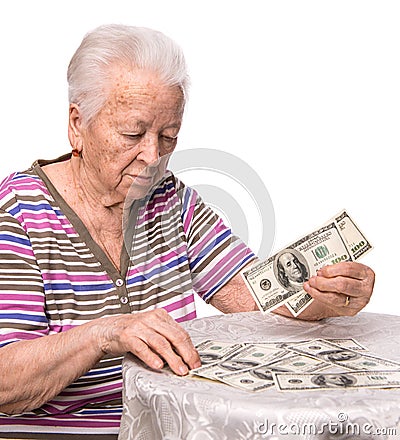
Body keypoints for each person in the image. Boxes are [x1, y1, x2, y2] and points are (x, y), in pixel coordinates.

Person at [0, 24, 375, 438]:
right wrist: (105, 332)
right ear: (77, 124)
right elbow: (5, 382)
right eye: (132, 133)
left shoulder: (168, 199)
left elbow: (254, 295)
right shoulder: (18, 213)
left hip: (166, 427)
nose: (152, 156)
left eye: (168, 136)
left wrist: (325, 297)